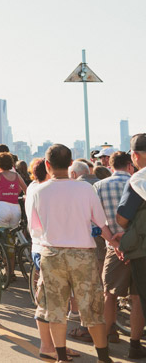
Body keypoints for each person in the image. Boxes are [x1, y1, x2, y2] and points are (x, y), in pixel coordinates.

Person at [28, 144, 118, 363]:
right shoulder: (85, 189)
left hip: (51, 253)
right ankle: (103, 357)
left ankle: (61, 357)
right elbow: (101, 221)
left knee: (56, 309)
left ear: (47, 165)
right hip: (82, 253)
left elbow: (35, 228)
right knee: (92, 307)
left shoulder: (38, 191)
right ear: (70, 164)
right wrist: (114, 243)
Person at [94, 151, 146, 355]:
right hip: (140, 247)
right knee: (137, 297)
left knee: (109, 295)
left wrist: (113, 242)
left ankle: (105, 341)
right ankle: (134, 344)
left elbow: (97, 220)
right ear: (129, 164)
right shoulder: (139, 182)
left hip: (115, 247)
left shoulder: (99, 186)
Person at [0, 152, 27, 228]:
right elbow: (25, 189)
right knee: (13, 234)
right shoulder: (16, 175)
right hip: (16, 208)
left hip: (1, 206)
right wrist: (15, 193)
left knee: (0, 234)